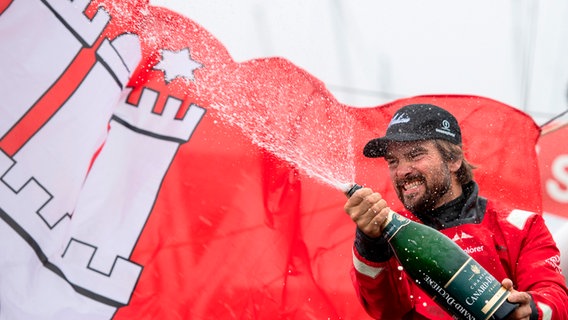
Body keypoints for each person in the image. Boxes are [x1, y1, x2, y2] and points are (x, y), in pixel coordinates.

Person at [344, 103, 568, 320]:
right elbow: (384, 310)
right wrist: (369, 242)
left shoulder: (521, 225)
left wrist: (529, 309)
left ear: (454, 160)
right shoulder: (387, 231)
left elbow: (555, 298)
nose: (401, 171)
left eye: (415, 155)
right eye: (393, 161)